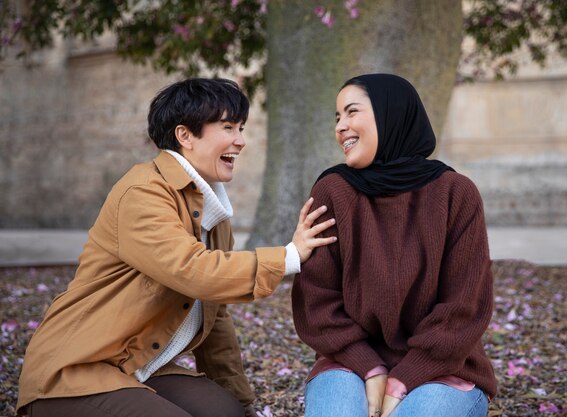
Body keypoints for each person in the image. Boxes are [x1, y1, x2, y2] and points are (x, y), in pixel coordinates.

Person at [16, 78, 336, 417]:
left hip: (139, 365)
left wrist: (239, 403)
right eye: (228, 127)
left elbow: (216, 317)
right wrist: (289, 256)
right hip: (77, 370)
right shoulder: (142, 192)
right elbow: (193, 271)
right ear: (185, 136)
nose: (240, 141)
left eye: (240, 128)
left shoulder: (213, 213)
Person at [291, 73, 497, 417]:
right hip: (349, 363)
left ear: (392, 114)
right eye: (337, 117)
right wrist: (371, 369)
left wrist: (402, 380)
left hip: (443, 369)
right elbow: (317, 302)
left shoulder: (456, 193)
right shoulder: (332, 191)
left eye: (351, 112)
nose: (341, 127)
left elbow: (464, 307)